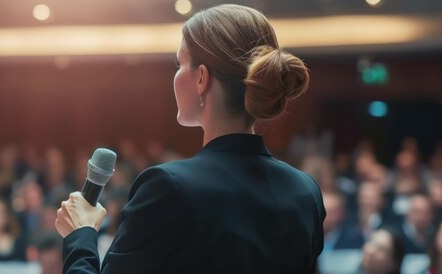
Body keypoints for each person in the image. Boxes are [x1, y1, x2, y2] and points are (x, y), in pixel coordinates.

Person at [55, 4, 324, 273]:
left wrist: (81, 233)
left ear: (201, 79)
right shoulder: (305, 191)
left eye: (180, 63)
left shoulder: (168, 188)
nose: (176, 73)